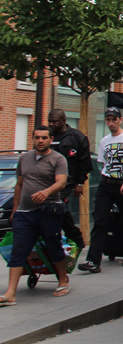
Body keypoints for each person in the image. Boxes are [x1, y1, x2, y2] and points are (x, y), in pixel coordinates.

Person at [0, 126, 71, 305]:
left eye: (44, 138)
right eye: (37, 138)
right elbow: (19, 184)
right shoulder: (24, 158)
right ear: (32, 139)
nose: (40, 141)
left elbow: (61, 182)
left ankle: (63, 280)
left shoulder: (58, 159)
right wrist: (15, 209)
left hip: (49, 209)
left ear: (50, 139)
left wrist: (46, 193)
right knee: (19, 248)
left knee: (53, 244)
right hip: (25, 212)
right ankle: (10, 293)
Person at [78, 108, 123, 273]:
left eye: (114, 120)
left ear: (120, 120)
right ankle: (93, 260)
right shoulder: (104, 141)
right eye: (108, 120)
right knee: (99, 220)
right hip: (107, 183)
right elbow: (104, 163)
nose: (111, 123)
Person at [47, 109, 92, 252]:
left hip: (68, 183)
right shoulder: (47, 136)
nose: (52, 124)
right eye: (50, 122)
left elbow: (84, 162)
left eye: (55, 122)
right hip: (48, 182)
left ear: (64, 121)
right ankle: (69, 240)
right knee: (56, 212)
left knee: (60, 210)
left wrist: (80, 183)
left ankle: (75, 240)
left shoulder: (76, 137)